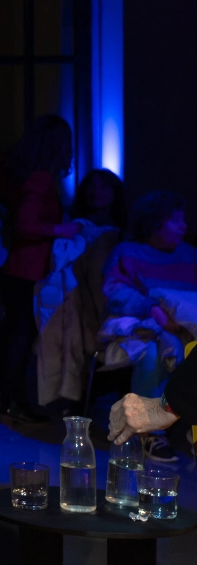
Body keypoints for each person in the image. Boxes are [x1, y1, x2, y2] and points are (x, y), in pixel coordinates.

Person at [0, 115, 78, 423]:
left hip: (9, 260)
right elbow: (28, 224)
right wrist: (60, 230)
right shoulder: (38, 177)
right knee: (20, 332)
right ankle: (13, 399)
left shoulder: (12, 169)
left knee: (13, 330)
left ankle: (4, 396)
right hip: (25, 263)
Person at [99, 191, 195, 463]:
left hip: (187, 328)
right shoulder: (127, 252)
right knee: (152, 352)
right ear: (154, 223)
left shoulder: (189, 255)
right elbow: (114, 292)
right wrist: (151, 308)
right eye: (175, 220)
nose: (183, 226)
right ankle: (148, 433)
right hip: (146, 328)